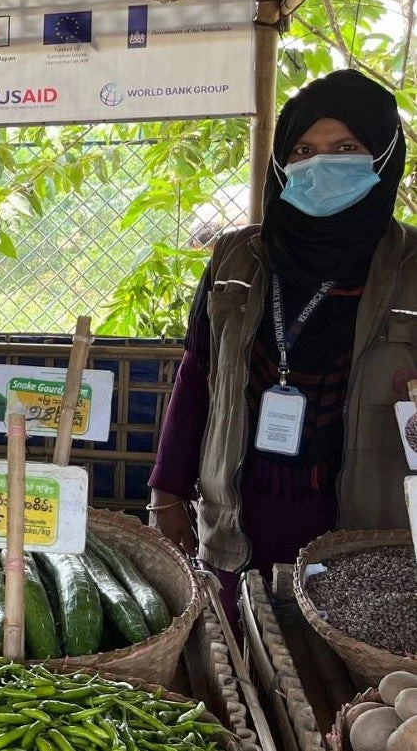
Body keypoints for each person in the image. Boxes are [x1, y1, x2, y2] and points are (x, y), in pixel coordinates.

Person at [149, 70, 417, 616]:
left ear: (385, 156)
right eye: (302, 149)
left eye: (346, 148)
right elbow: (197, 376)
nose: (320, 165)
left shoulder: (412, 268)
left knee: (341, 679)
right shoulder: (236, 258)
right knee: (241, 663)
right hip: (240, 520)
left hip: (364, 526)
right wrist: (167, 491)